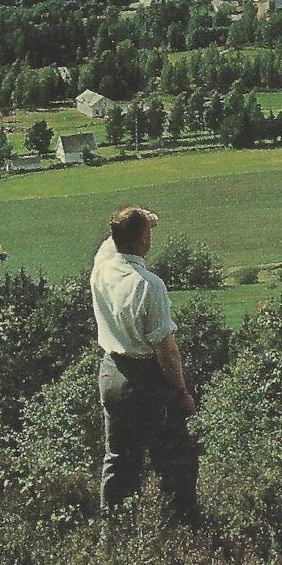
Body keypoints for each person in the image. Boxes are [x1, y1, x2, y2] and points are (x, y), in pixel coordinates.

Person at [90, 206, 201, 524]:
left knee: (119, 460)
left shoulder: (102, 269)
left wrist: (136, 221)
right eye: (148, 232)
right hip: (144, 381)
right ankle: (185, 525)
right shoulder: (150, 285)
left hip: (111, 373)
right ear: (142, 239)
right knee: (175, 457)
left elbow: (111, 242)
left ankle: (112, 533)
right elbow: (166, 351)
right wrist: (181, 392)